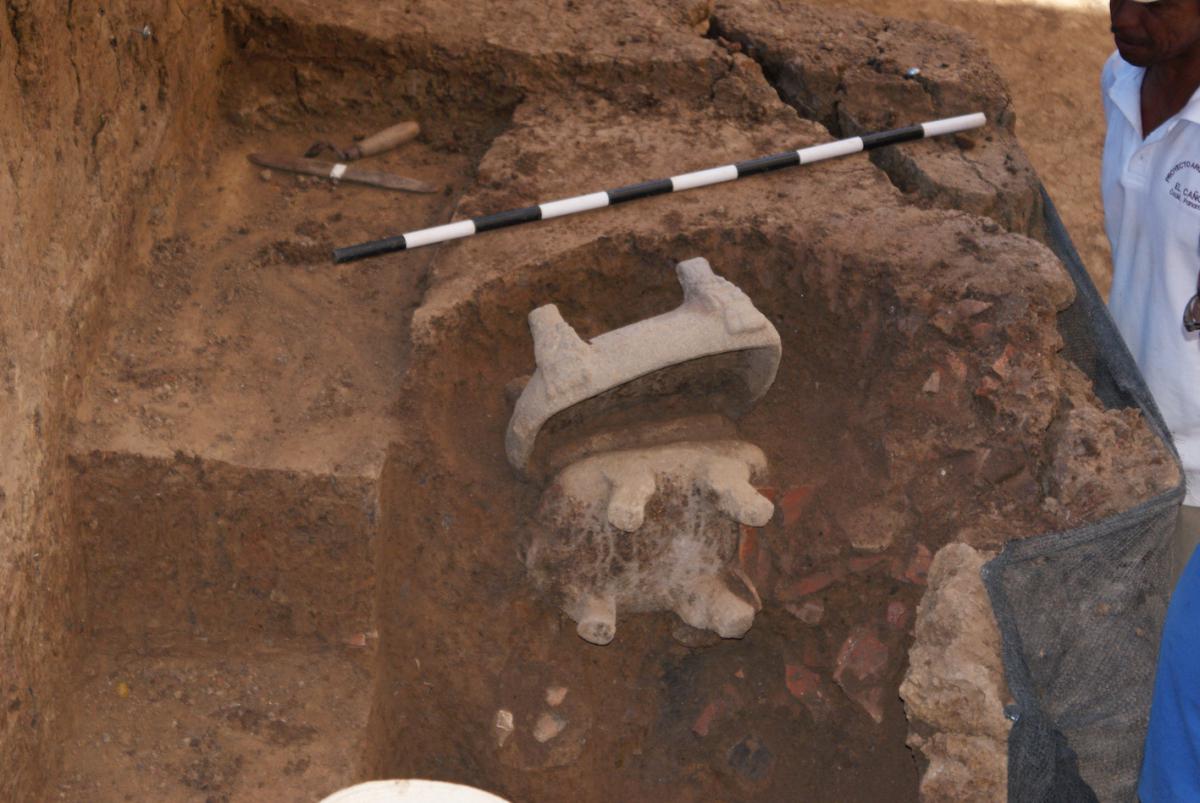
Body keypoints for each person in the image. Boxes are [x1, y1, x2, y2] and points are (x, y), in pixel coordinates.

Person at [1103, 0, 1200, 797]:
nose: (1126, 14)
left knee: (1170, 706)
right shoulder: (1119, 80)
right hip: (1123, 442)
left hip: (1196, 477)